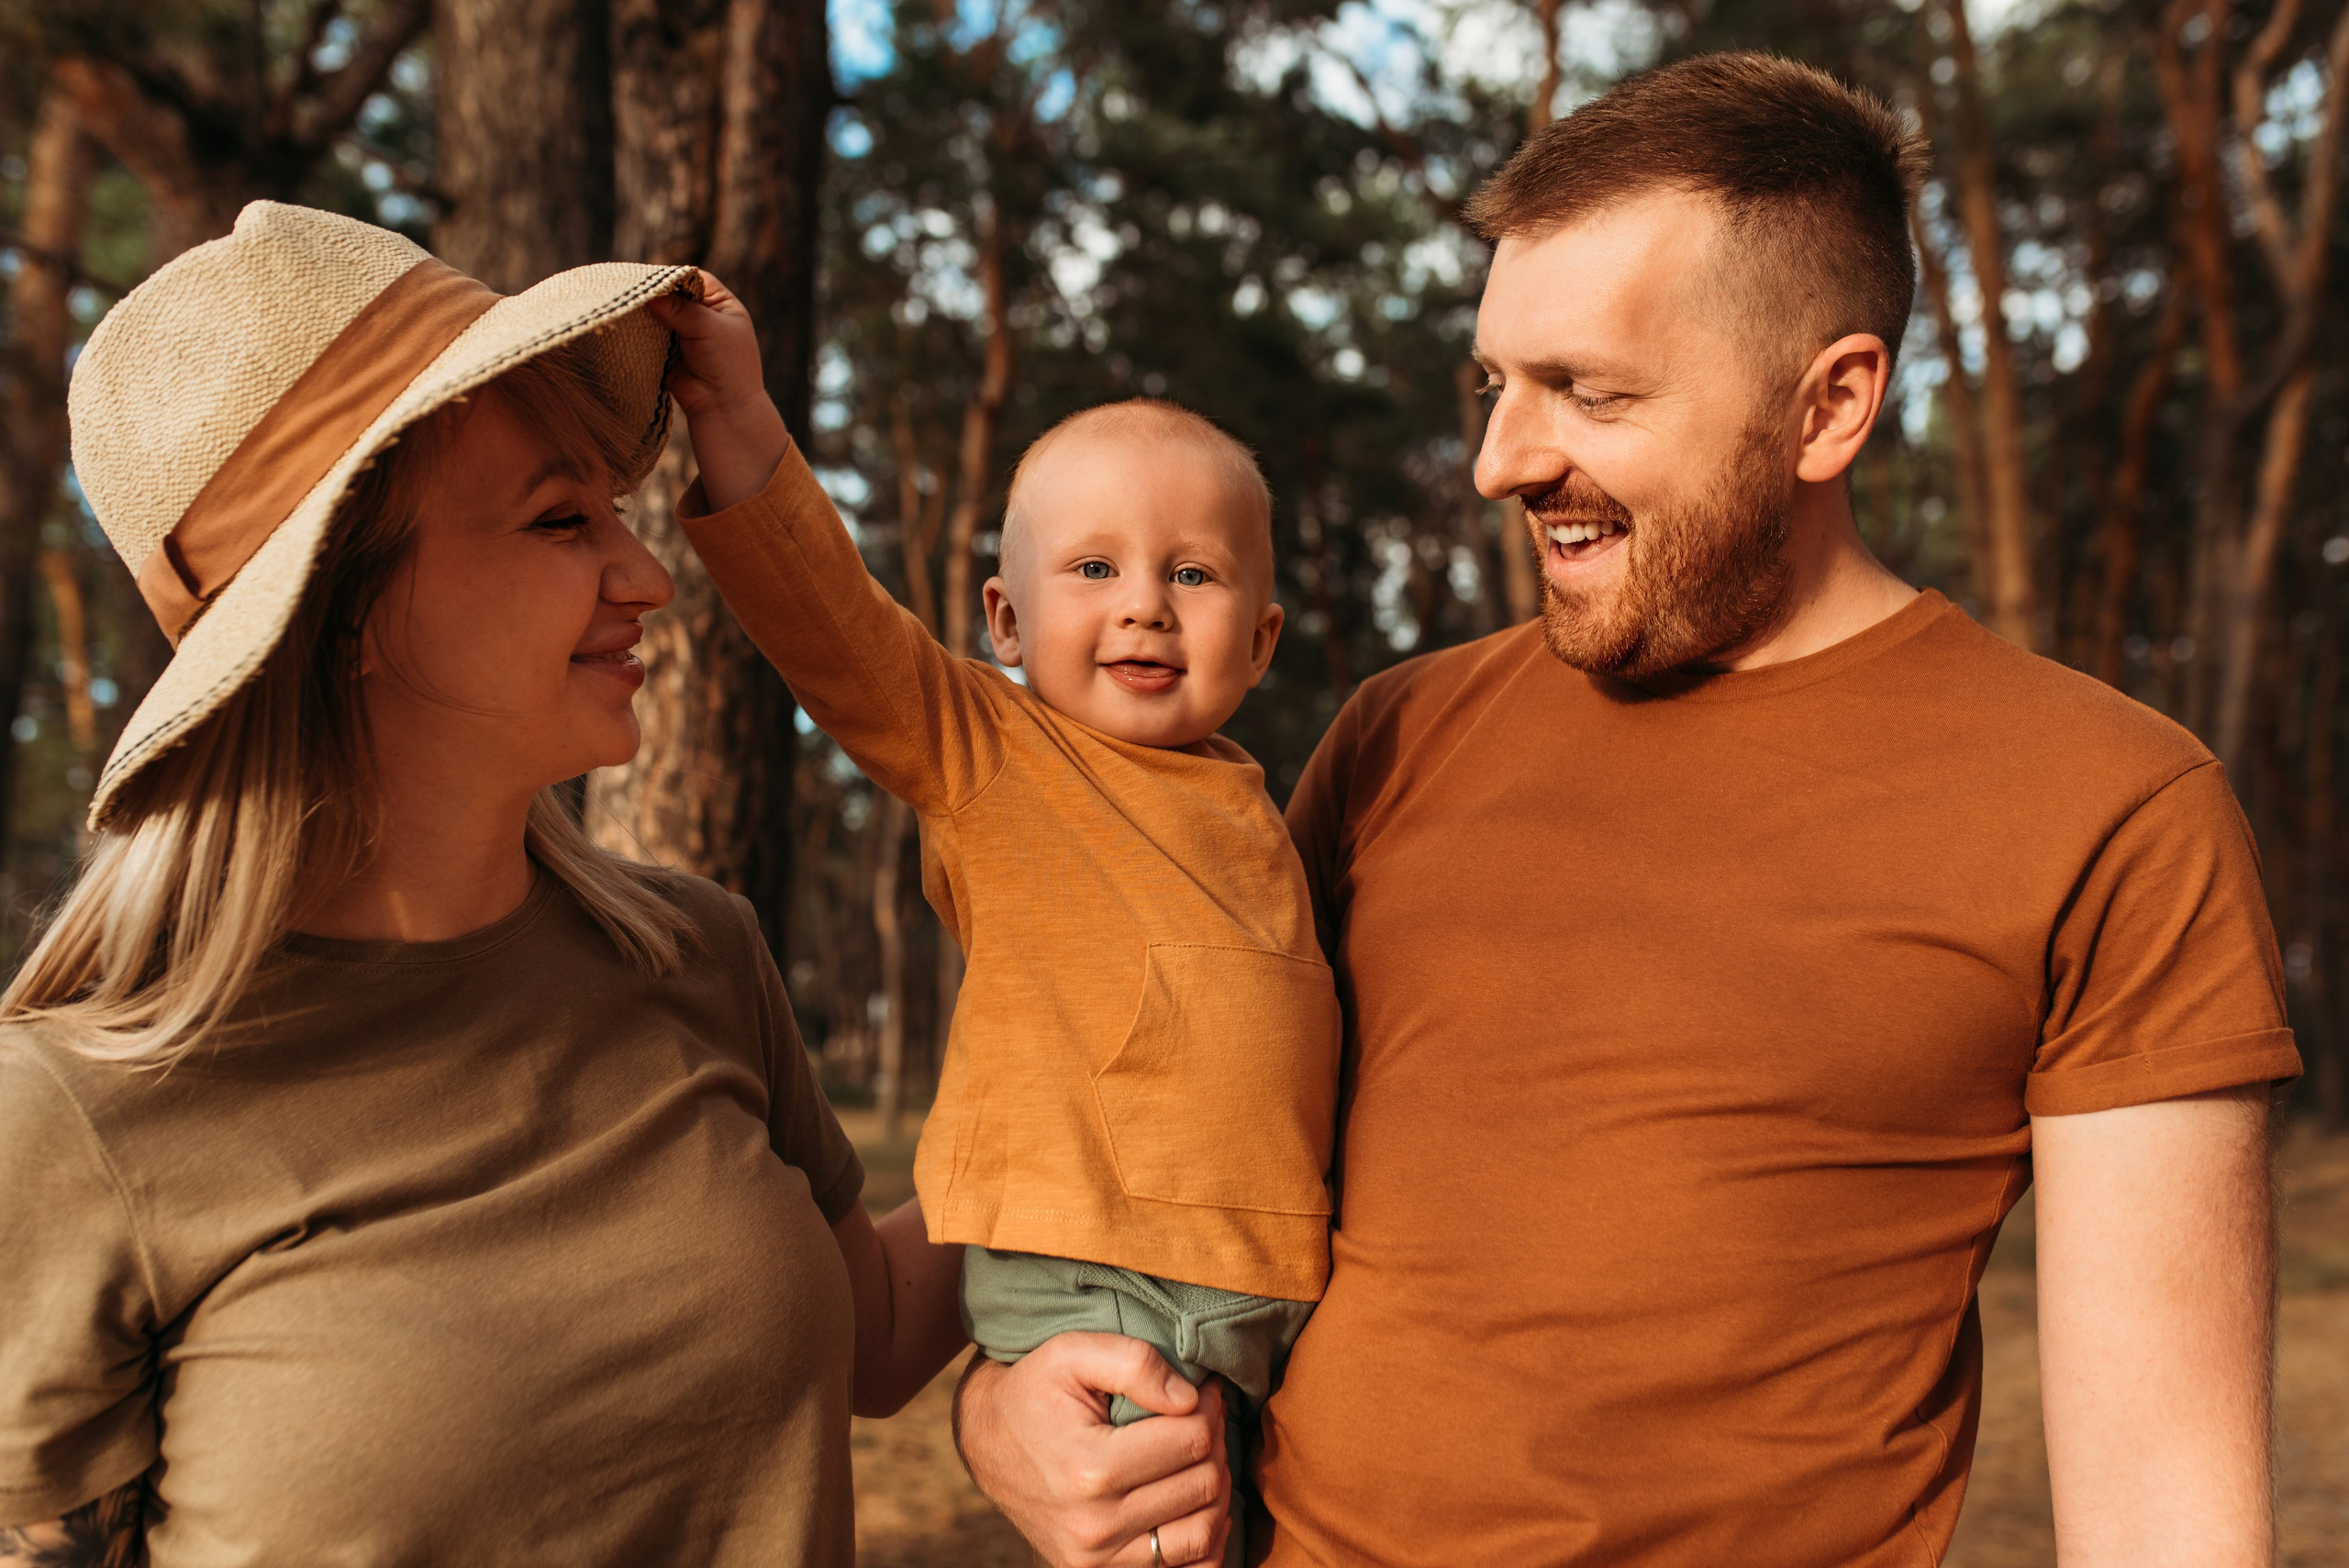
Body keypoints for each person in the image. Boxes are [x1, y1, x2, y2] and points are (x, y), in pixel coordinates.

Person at [954, 51, 2301, 1567]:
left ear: (1831, 407)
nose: (1500, 461)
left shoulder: (2113, 809)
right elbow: (1130, 1110)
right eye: (1497, 384)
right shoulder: (1398, 734)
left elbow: (2169, 1520)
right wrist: (993, 1399)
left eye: (1588, 391)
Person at [0, 202, 967, 1567]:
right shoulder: (73, 1115)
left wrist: (1141, 1108)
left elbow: (871, 1331)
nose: (645, 576)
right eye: (561, 518)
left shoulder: (697, 955)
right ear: (341, 615)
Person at [645, 270, 1343, 1567]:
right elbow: (838, 630)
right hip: (1104, 1278)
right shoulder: (999, 753)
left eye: (1193, 573)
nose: (1144, 601)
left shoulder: (1259, 808)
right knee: (1159, 1536)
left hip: (1244, 1303)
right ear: (1006, 621)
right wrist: (739, 420)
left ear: (1259, 639)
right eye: (1095, 567)